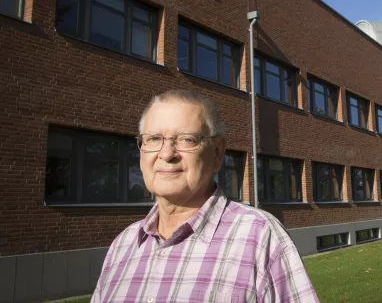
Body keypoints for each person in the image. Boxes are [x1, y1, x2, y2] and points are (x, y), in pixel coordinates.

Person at [91, 89, 319, 302]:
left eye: (186, 139)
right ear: (141, 151)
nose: (167, 153)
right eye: (153, 139)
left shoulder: (259, 237)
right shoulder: (123, 246)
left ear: (217, 153)